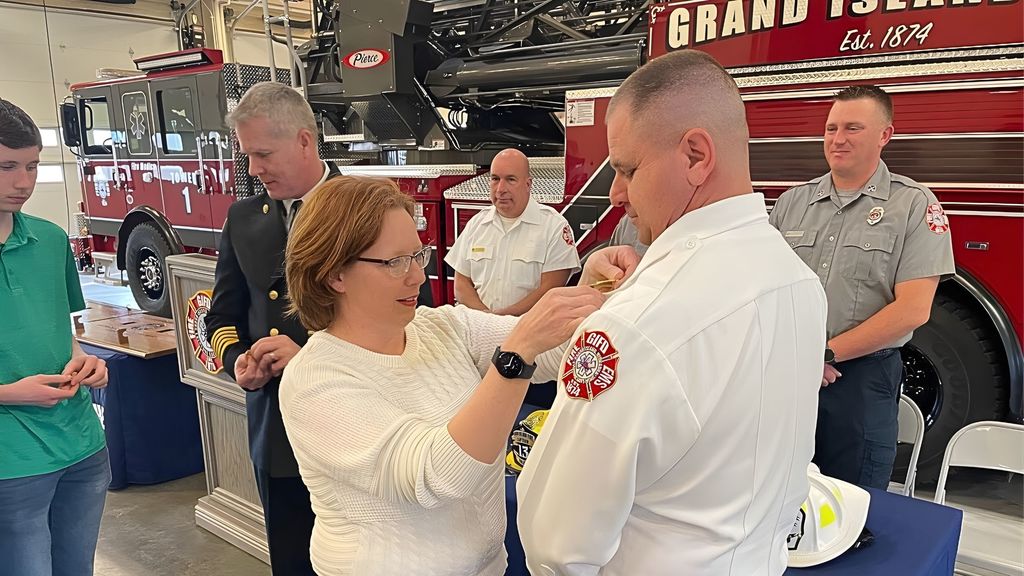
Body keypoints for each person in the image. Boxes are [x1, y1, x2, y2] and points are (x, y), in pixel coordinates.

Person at [516, 49, 828, 575]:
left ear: (695, 156)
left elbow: (555, 541)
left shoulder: (632, 326)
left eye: (627, 169)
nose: (616, 195)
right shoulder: (797, 280)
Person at [278, 176, 604, 576]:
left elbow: (558, 349)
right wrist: (516, 357)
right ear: (334, 274)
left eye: (418, 256)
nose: (417, 277)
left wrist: (592, 288)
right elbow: (433, 476)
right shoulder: (314, 382)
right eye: (394, 262)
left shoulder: (439, 328)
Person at [204, 82, 430, 574]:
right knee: (292, 559)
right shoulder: (244, 220)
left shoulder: (376, 209)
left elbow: (414, 314)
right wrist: (238, 359)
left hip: (367, 429)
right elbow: (221, 316)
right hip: (280, 433)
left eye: (263, 153)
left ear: (305, 141)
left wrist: (306, 353)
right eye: (247, 155)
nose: (253, 169)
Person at [769, 85, 954, 490]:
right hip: (788, 373)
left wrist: (826, 354)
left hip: (861, 383)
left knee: (852, 503)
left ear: (884, 135)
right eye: (831, 128)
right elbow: (763, 289)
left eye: (853, 128)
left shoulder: (914, 206)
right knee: (776, 495)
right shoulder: (790, 204)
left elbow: (912, 310)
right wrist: (798, 358)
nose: (837, 139)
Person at [0, 98, 111, 575]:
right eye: (6, 166)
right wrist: (9, 393)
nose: (23, 182)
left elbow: (62, 331)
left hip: (83, 447)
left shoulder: (49, 240)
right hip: (12, 462)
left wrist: (84, 359)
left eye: (32, 166)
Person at [445, 148, 580, 316]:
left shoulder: (553, 227)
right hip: (478, 327)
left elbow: (551, 290)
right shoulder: (477, 224)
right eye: (495, 179)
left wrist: (501, 320)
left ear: (528, 184)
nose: (501, 188)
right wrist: (486, 319)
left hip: (529, 329)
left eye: (510, 179)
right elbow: (461, 284)